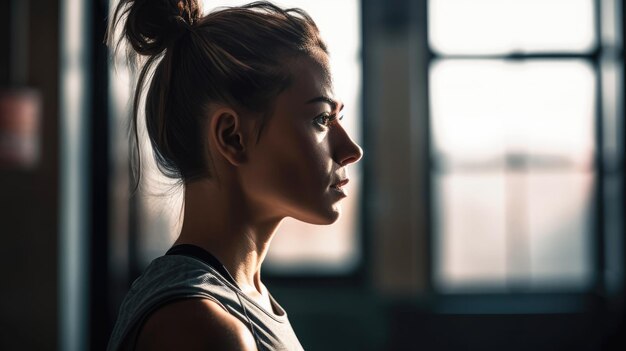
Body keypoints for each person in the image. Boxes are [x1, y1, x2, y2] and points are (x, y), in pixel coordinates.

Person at [106, 0, 363, 350]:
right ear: (232, 137)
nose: (351, 149)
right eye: (321, 119)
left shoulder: (241, 300)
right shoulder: (200, 326)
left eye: (339, 118)